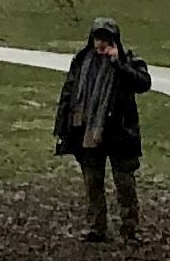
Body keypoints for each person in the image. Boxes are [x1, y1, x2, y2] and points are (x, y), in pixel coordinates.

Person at [53, 17, 152, 245]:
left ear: (115, 40)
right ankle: (97, 228)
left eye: (106, 39)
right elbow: (68, 93)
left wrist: (119, 65)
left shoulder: (129, 60)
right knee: (92, 182)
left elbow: (143, 84)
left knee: (124, 183)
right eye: (98, 38)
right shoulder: (81, 60)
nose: (101, 44)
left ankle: (130, 230)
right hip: (87, 132)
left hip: (120, 133)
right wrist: (62, 127)